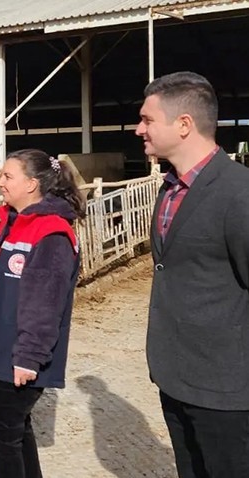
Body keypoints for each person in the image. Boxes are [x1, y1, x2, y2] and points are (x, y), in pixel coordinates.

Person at [137, 71, 249, 477]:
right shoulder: (170, 189)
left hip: (226, 389)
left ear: (184, 125)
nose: (138, 130)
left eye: (148, 120)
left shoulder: (239, 192)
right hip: (175, 376)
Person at [0, 148, 86, 478]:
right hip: (1, 348)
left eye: (7, 176)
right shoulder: (11, 224)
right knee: (14, 429)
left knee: (0, 431)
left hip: (20, 352)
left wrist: (28, 356)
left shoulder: (49, 233)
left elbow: (45, 303)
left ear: (32, 184)